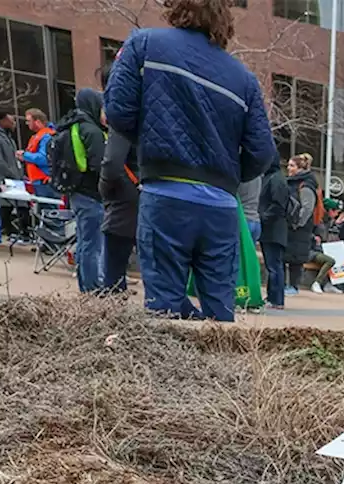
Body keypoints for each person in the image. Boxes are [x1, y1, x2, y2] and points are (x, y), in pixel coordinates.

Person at [103, 0, 277, 322]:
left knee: (164, 311)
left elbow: (117, 112)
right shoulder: (244, 79)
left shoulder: (144, 45)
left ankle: (171, 368)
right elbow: (262, 153)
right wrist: (228, 176)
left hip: (166, 193)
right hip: (221, 207)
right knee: (220, 315)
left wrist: (152, 144)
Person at [54, 89, 107, 293]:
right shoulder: (91, 131)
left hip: (77, 192)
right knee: (92, 244)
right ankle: (94, 287)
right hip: (91, 193)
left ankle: (87, 285)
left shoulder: (71, 126)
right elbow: (100, 166)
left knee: (85, 241)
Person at [99, 125, 140, 294]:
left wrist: (104, 190)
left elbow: (111, 164)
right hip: (150, 197)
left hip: (124, 204)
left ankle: (115, 304)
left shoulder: (122, 127)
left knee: (113, 268)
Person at [284, 154, 323, 296]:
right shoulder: (292, 182)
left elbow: (307, 208)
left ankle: (293, 286)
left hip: (299, 229)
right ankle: (286, 285)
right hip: (291, 226)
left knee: (295, 259)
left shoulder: (306, 185)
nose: (289, 168)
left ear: (300, 168)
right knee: (287, 257)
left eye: (292, 165)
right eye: (288, 165)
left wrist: (297, 223)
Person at [0, 111, 23, 246]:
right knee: (3, 205)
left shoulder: (6, 136)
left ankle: (9, 229)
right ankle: (1, 230)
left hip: (11, 177)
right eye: (11, 120)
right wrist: (11, 173)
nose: (14, 123)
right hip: (2, 178)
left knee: (12, 205)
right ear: (2, 121)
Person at [258, 159, 289, 309]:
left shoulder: (275, 179)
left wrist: (263, 217)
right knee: (273, 265)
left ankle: (276, 299)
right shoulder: (274, 178)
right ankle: (273, 297)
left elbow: (278, 205)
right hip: (272, 229)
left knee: (274, 265)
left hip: (273, 229)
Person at [17, 109, 57, 200]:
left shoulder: (46, 136)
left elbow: (45, 158)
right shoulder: (40, 136)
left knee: (48, 210)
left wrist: (25, 155)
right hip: (40, 181)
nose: (27, 124)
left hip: (44, 181)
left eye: (29, 121)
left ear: (38, 122)